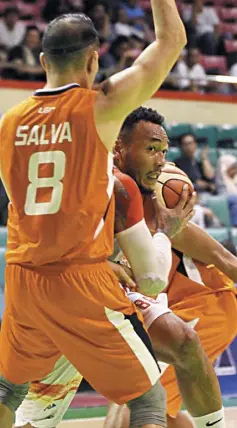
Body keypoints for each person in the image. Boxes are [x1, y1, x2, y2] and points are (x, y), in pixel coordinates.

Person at [0, 3, 187, 428]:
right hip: (79, 279)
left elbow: (21, 204)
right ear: (93, 59)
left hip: (23, 277)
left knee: (7, 389)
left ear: (44, 61)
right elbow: (171, 42)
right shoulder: (100, 106)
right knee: (148, 400)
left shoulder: (8, 122)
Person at [15, 108, 237, 428]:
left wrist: (160, 233)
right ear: (119, 148)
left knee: (166, 369)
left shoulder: (161, 207)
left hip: (184, 301)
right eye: (151, 150)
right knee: (37, 417)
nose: (160, 161)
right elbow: (48, 248)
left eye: (163, 152)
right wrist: (103, 263)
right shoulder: (90, 186)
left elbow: (219, 261)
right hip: (70, 296)